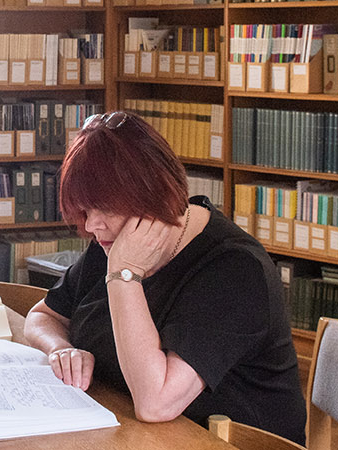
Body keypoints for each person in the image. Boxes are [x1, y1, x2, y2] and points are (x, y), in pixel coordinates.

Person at [21, 111, 307, 444]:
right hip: (130, 432)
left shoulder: (235, 270)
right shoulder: (111, 241)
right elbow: (42, 316)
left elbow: (156, 403)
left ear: (151, 194)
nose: (90, 226)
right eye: (84, 211)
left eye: (103, 209)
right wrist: (61, 348)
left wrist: (124, 276)